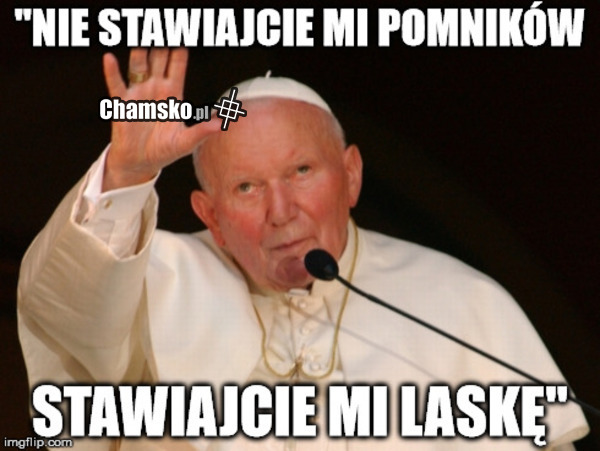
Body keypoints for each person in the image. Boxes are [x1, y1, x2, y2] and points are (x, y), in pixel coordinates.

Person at [18, 48, 589, 450]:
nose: (281, 211)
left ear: (351, 176)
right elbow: (64, 315)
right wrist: (126, 174)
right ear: (210, 216)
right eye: (247, 187)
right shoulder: (150, 281)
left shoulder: (462, 305)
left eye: (302, 172)